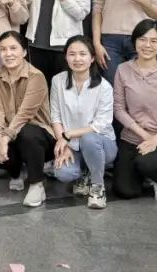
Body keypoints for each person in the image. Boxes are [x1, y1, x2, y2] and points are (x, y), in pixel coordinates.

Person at [112, 20, 157, 202]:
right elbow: (118, 109)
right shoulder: (122, 70)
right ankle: (143, 173)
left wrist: (155, 140)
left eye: (153, 41)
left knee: (147, 163)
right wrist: (145, 137)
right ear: (134, 42)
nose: (147, 45)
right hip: (132, 138)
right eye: (142, 40)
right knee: (124, 190)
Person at [49, 36, 117, 210]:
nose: (77, 59)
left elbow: (100, 125)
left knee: (89, 138)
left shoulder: (104, 87)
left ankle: (97, 186)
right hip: (71, 143)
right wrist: (64, 143)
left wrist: (68, 135)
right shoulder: (58, 81)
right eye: (72, 54)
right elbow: (55, 116)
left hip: (101, 144)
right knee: (63, 172)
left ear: (92, 58)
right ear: (66, 57)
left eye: (82, 54)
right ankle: (84, 172)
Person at [0, 30, 55, 208]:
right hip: (11, 133)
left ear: (24, 51)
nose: (8, 53)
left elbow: (25, 115)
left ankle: (36, 184)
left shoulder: (36, 76)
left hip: (39, 135)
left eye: (13, 48)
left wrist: (5, 139)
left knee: (28, 133)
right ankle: (17, 173)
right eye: (3, 49)